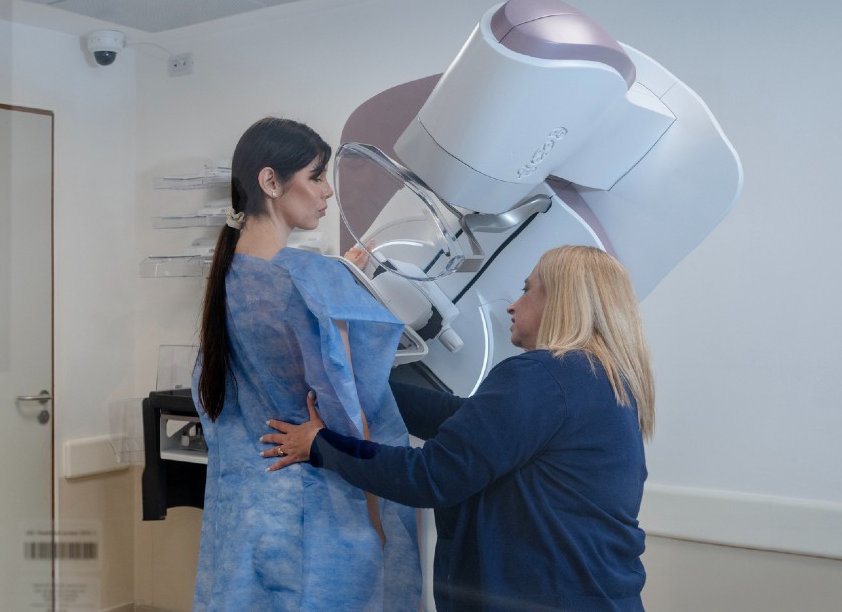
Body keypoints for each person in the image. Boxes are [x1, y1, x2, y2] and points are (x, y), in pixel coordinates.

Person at [262, 244, 654, 612]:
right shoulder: (602, 381)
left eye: (527, 289)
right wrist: (355, 389)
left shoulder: (542, 376)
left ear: (562, 301)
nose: (513, 306)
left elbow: (428, 477)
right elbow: (466, 418)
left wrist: (319, 445)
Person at [191, 117, 422, 612]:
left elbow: (209, 395)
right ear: (271, 182)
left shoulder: (224, 279)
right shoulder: (314, 280)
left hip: (246, 510)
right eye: (317, 176)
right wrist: (380, 522)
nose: (328, 191)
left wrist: (342, 280)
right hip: (319, 518)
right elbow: (350, 413)